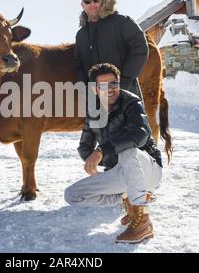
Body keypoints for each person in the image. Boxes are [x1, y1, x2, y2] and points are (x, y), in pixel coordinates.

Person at [64, 63, 163, 244]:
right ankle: (126, 199)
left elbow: (139, 135)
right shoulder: (93, 112)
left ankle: (143, 221)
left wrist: (102, 151)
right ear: (94, 88)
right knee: (72, 195)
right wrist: (93, 160)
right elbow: (85, 147)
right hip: (121, 172)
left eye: (114, 84)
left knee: (128, 150)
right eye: (103, 85)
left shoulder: (131, 102)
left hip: (148, 169)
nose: (110, 89)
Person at [74, 0, 148, 98]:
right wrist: (86, 88)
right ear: (82, 5)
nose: (92, 4)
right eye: (87, 1)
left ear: (102, 1)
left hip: (125, 93)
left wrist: (124, 81)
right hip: (96, 98)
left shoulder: (122, 22)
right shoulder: (81, 35)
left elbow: (140, 48)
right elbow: (78, 64)